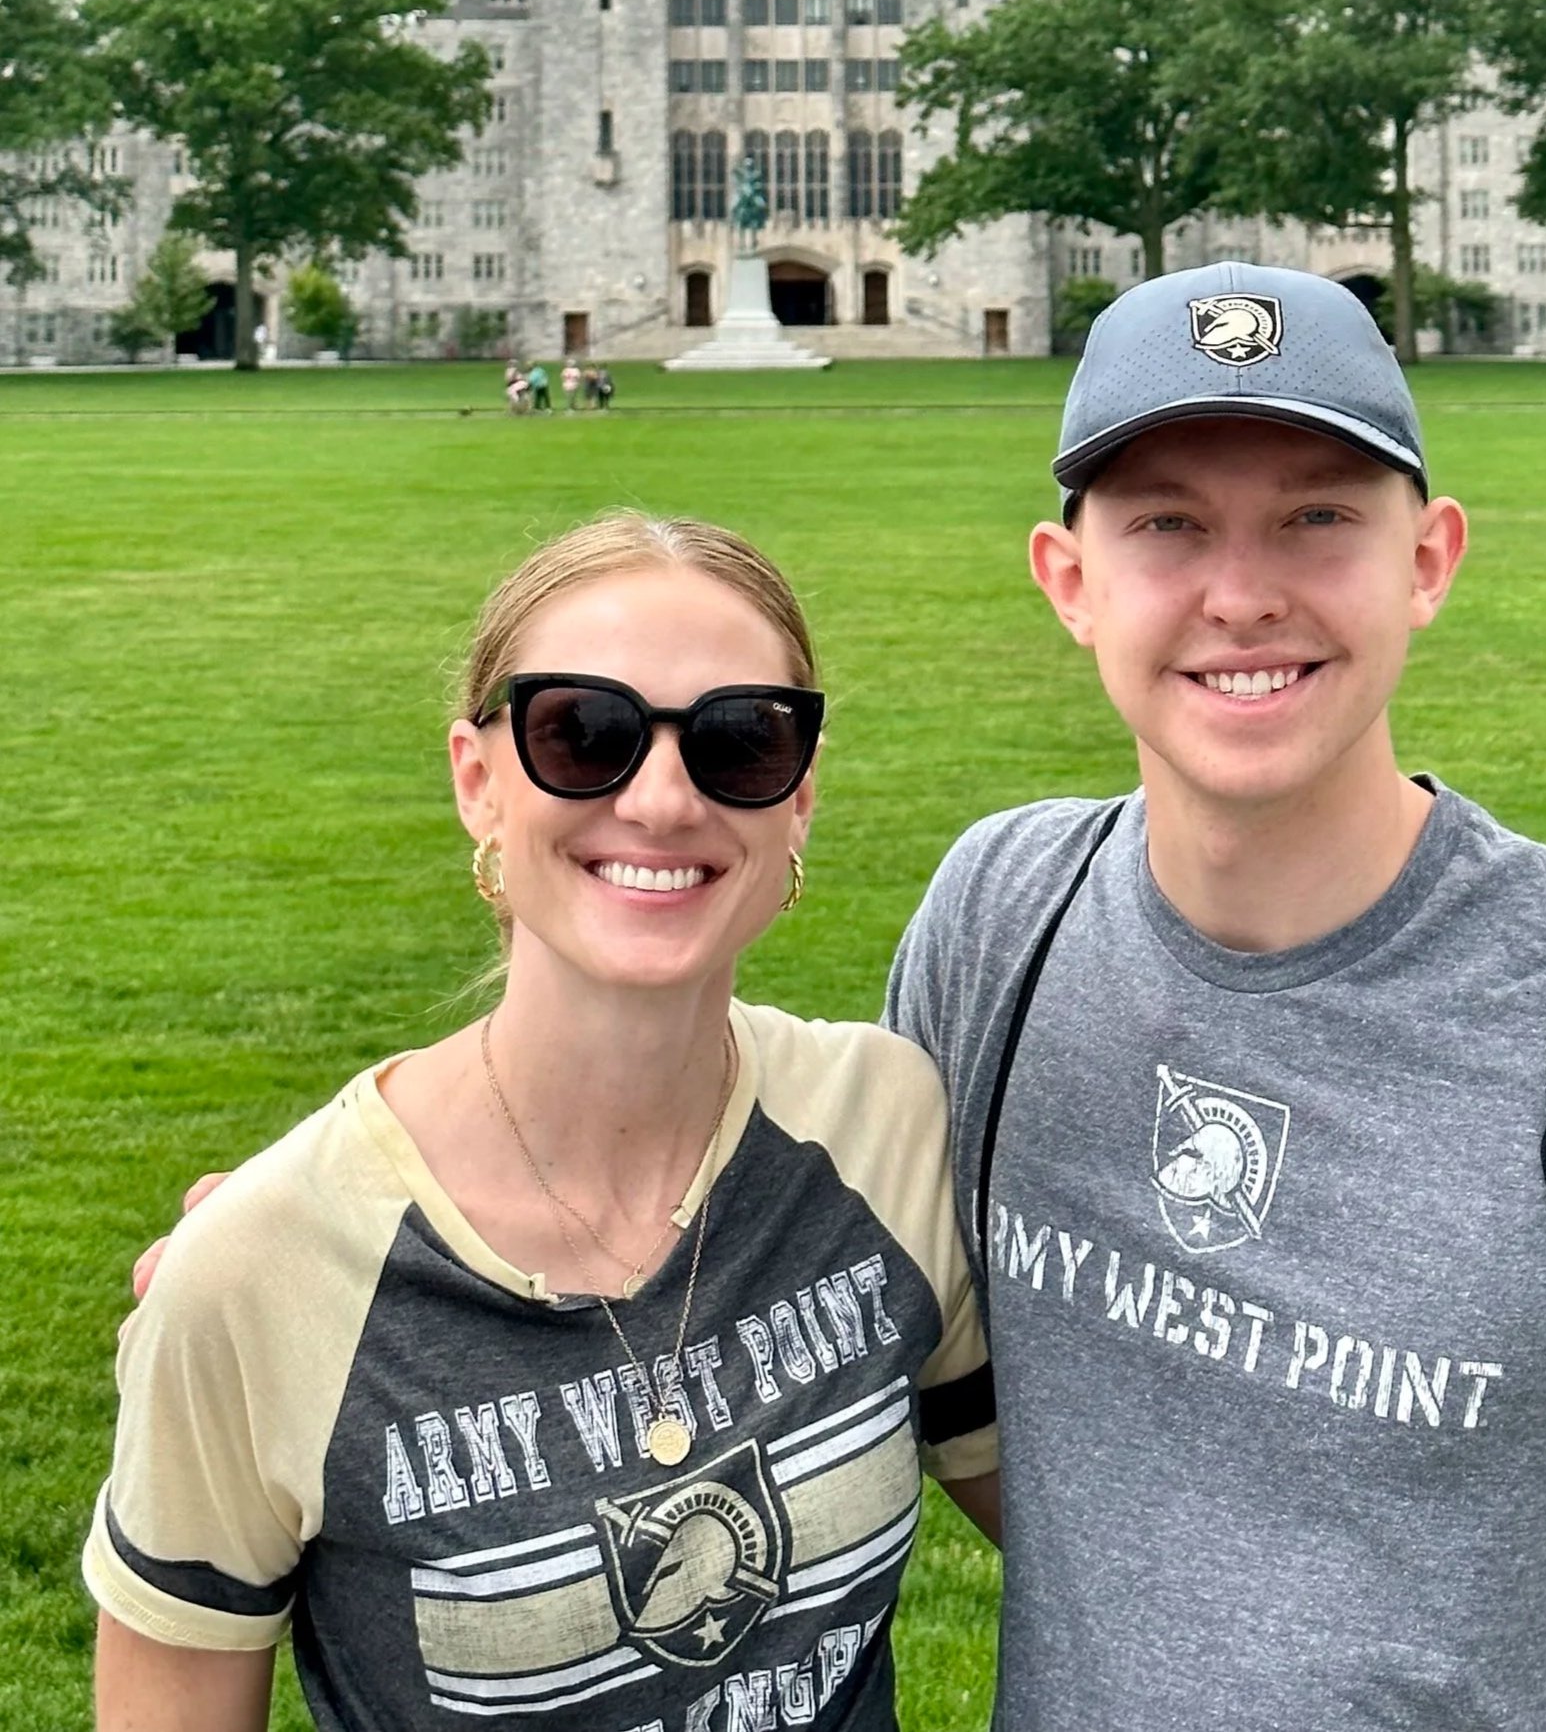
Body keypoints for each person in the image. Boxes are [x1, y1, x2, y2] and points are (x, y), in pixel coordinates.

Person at [885, 262, 1546, 1732]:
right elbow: (946, 1371)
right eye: (1168, 521)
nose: (1242, 592)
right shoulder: (998, 921)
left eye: (1317, 515)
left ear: (1428, 558)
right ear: (1067, 577)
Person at [91, 513, 997, 1732]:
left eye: (741, 740)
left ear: (799, 800)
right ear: (478, 779)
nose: (664, 799)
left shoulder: (883, 1123)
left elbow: (1113, 1544)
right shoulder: (258, 1278)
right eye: (584, 734)